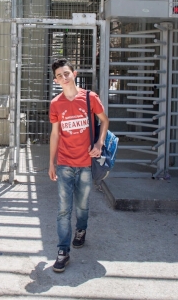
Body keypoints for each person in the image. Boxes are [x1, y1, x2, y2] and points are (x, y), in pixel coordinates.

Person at [48, 58, 109, 272]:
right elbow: (55, 134)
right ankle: (62, 251)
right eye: (59, 75)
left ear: (74, 73)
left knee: (82, 206)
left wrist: (99, 143)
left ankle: (81, 230)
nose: (63, 78)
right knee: (63, 210)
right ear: (55, 80)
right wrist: (51, 162)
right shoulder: (56, 103)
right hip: (65, 163)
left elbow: (105, 120)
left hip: (85, 163)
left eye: (66, 73)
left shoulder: (90, 98)